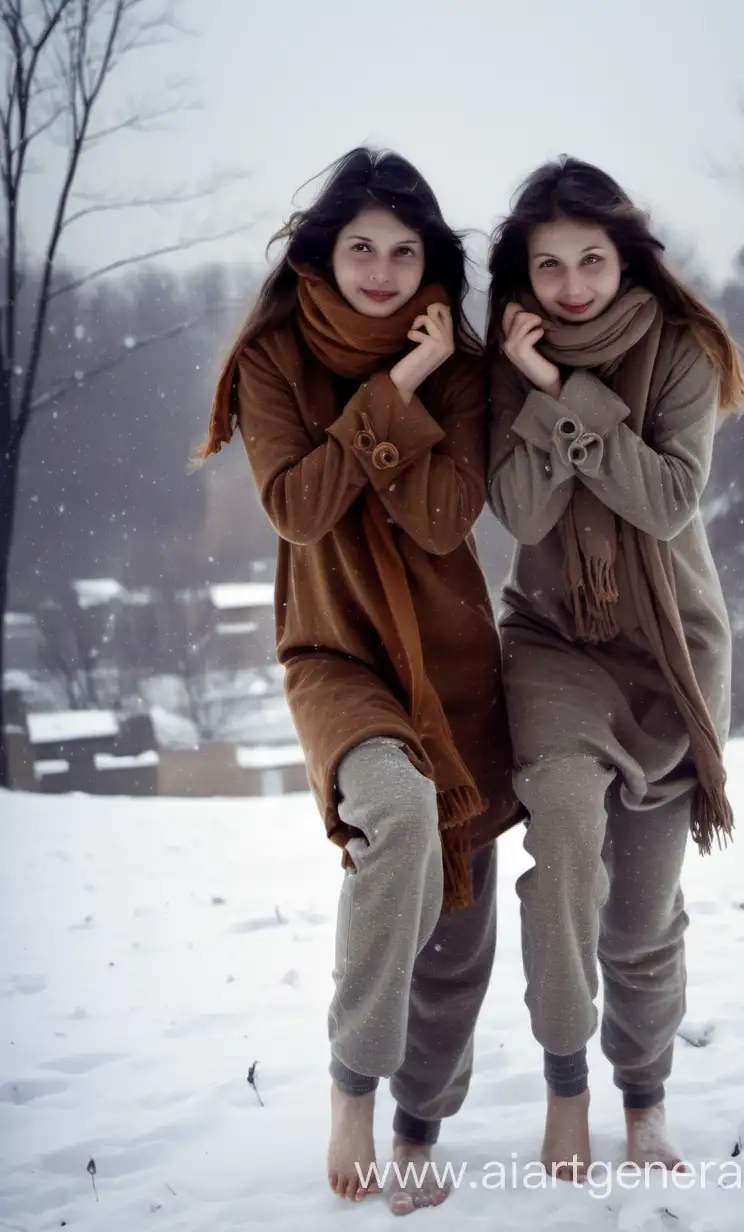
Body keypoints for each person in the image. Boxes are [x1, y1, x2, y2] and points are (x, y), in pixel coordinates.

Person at [196, 147, 520, 1214]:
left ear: (429, 259)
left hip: (453, 661)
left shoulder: (465, 364)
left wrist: (424, 380)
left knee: (460, 911)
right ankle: (353, 1082)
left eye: (403, 249)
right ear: (323, 253)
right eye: (360, 246)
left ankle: (422, 1119)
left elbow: (439, 519)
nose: (381, 269)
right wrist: (398, 389)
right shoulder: (275, 357)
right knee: (396, 810)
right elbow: (298, 505)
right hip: (335, 649)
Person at [485, 157, 744, 1179]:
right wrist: (538, 386)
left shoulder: (678, 351)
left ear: (623, 254)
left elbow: (664, 500)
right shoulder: (501, 358)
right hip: (554, 642)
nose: (569, 284)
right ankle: (565, 1085)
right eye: (547, 264)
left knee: (640, 917)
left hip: (665, 648)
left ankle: (643, 1099)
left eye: (589, 258)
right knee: (561, 850)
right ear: (525, 270)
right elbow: (522, 513)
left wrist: (563, 391)